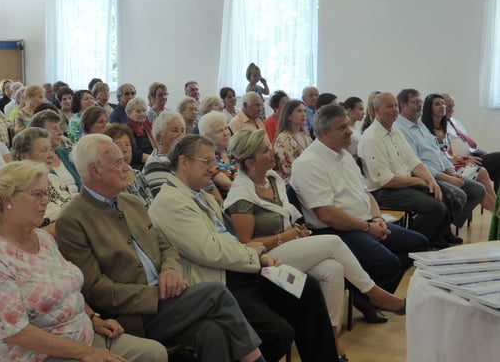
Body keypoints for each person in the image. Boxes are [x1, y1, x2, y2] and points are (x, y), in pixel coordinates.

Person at [56, 134, 267, 362]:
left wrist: (170, 270)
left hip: (168, 299)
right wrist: (156, 294)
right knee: (216, 293)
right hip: (133, 314)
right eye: (118, 163)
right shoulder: (73, 219)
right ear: (95, 171)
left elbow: (166, 247)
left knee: (211, 332)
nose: (126, 167)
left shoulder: (131, 202)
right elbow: (96, 289)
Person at [149, 134, 340, 362]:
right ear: (183, 161)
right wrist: (254, 255)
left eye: (213, 161)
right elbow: (211, 251)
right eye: (206, 161)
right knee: (278, 333)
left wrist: (258, 258)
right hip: (223, 280)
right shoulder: (170, 202)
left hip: (245, 269)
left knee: (305, 286)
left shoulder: (201, 195)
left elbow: (229, 239)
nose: (213, 168)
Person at [225, 129, 407, 361]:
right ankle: (374, 293)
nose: (272, 152)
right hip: (265, 261)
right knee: (333, 242)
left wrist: (296, 231)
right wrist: (288, 236)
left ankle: (331, 342)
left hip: (286, 246)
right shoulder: (241, 195)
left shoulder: (272, 178)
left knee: (334, 269)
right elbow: (246, 244)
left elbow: (285, 218)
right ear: (250, 162)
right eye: (265, 150)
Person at [0, 160, 168, 362]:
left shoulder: (42, 238)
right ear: (7, 198)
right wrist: (86, 353)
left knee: (154, 353)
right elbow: (16, 333)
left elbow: (68, 288)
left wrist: (93, 318)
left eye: (46, 193)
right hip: (37, 355)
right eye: (37, 194)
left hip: (82, 336)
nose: (45, 201)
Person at [290, 105, 429, 319]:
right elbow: (326, 214)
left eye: (348, 125)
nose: (349, 131)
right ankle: (372, 295)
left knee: (418, 244)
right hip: (334, 231)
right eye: (342, 128)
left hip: (364, 222)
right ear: (324, 133)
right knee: (387, 263)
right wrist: (367, 227)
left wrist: (377, 218)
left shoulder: (344, 155)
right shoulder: (309, 163)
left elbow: (366, 194)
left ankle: (366, 296)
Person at [358, 92, 453, 249]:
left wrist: (430, 180)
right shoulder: (372, 138)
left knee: (443, 193)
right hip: (383, 192)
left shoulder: (395, 131)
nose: (394, 110)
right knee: (435, 207)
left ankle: (434, 239)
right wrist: (419, 181)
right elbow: (386, 180)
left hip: (402, 185)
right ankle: (414, 245)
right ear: (377, 110)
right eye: (389, 106)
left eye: (396, 105)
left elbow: (414, 161)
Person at [394, 89, 485, 238]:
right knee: (458, 195)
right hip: (426, 176)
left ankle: (444, 227)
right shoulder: (400, 129)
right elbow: (415, 164)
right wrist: (448, 178)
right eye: (415, 102)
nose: (420, 105)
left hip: (443, 171)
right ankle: (439, 232)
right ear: (403, 105)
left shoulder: (420, 125)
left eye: (420, 102)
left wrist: (452, 171)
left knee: (478, 190)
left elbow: (438, 152)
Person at [421, 93, 495, 211]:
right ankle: (497, 211)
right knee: (480, 179)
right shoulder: (424, 130)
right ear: (429, 108)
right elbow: (435, 156)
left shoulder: (444, 128)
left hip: (452, 165)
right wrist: (454, 161)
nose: (442, 106)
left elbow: (450, 153)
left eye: (443, 104)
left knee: (482, 171)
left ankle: (497, 208)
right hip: (441, 169)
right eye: (437, 104)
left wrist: (463, 159)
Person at [11, 127, 73, 236]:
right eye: (44, 150)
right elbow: (26, 236)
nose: (51, 156)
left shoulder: (53, 179)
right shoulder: (17, 191)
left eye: (51, 150)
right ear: (24, 157)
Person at [442, 92, 500, 191]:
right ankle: (493, 198)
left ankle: (495, 198)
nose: (452, 109)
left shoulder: (454, 121)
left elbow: (465, 139)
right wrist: (464, 158)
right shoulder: (439, 126)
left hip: (472, 153)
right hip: (462, 162)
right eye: (449, 106)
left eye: (453, 106)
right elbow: (446, 153)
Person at [30, 110, 81, 193]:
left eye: (59, 128)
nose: (60, 132)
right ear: (40, 132)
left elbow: (82, 184)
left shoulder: (65, 154)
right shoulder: (34, 160)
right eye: (55, 128)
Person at [105, 124, 154, 208]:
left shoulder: (138, 174)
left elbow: (151, 202)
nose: (125, 150)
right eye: (118, 145)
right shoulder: (110, 180)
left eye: (127, 144)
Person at [144, 111, 186, 196]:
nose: (180, 135)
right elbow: (166, 197)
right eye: (175, 131)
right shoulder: (155, 163)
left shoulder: (180, 157)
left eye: (182, 131)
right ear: (160, 136)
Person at [199, 111, 238, 199]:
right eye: (220, 131)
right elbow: (227, 185)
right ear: (208, 136)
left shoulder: (232, 152)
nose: (226, 133)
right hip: (227, 200)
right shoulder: (208, 159)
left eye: (226, 128)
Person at [273, 100, 312, 184]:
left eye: (304, 111)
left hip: (309, 178)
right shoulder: (284, 138)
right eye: (299, 111)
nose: (304, 114)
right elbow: (289, 168)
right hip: (292, 183)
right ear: (289, 116)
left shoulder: (305, 135)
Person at [126, 97, 156, 170]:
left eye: (144, 110)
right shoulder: (127, 130)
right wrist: (154, 159)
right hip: (139, 166)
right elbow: (134, 153)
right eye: (138, 111)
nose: (142, 114)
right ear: (129, 114)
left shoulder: (150, 126)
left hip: (153, 160)